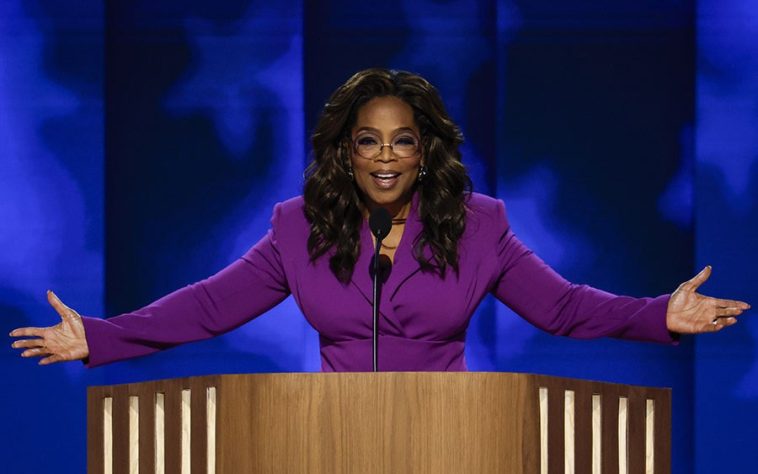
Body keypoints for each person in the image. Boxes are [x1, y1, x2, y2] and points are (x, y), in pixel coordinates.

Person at [9, 68, 750, 371]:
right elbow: (209, 307)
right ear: (347, 152)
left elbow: (560, 308)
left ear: (424, 151)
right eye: (368, 140)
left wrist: (660, 315)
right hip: (330, 445)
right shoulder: (298, 227)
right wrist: (99, 337)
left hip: (451, 446)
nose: (385, 156)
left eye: (402, 140)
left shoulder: (479, 223)